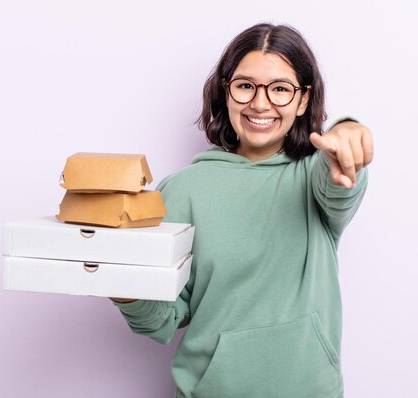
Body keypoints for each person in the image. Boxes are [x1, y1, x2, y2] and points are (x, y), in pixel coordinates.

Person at [111, 23, 374, 398]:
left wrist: (348, 132)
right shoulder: (182, 189)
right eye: (246, 85)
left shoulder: (315, 174)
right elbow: (163, 322)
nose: (261, 103)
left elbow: (339, 187)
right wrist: (125, 289)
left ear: (303, 100)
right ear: (226, 92)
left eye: (280, 89)